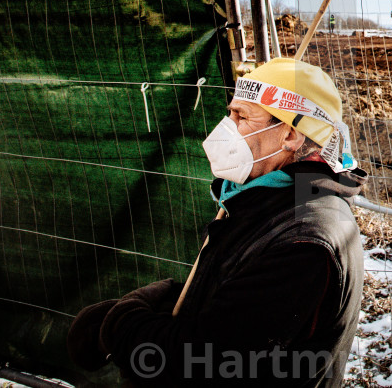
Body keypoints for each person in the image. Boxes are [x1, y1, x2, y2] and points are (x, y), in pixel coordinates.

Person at [67, 58, 366, 386]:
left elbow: (203, 361)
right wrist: (167, 298)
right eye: (230, 112)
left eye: (241, 116)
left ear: (290, 135)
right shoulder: (268, 203)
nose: (226, 126)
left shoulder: (306, 241)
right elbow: (236, 301)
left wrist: (120, 326)